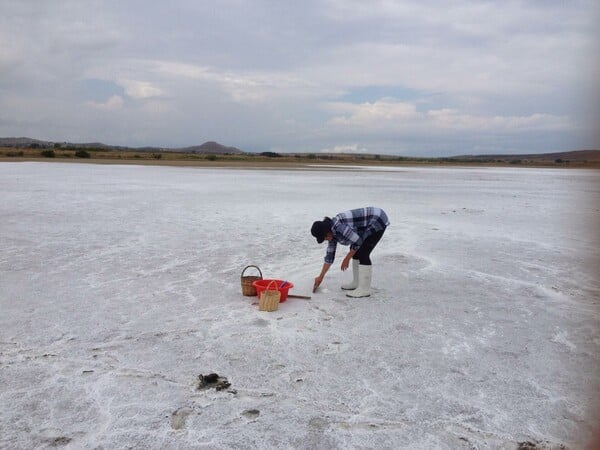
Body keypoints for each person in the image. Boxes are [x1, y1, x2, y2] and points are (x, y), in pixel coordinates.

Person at [311, 206, 389, 298]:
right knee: (356, 252)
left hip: (376, 220)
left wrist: (346, 258)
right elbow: (329, 257)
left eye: (324, 237)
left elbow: (358, 241)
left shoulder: (339, 227)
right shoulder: (331, 234)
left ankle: (365, 289)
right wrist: (321, 277)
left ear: (327, 232)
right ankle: (356, 283)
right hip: (364, 225)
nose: (325, 240)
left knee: (363, 253)